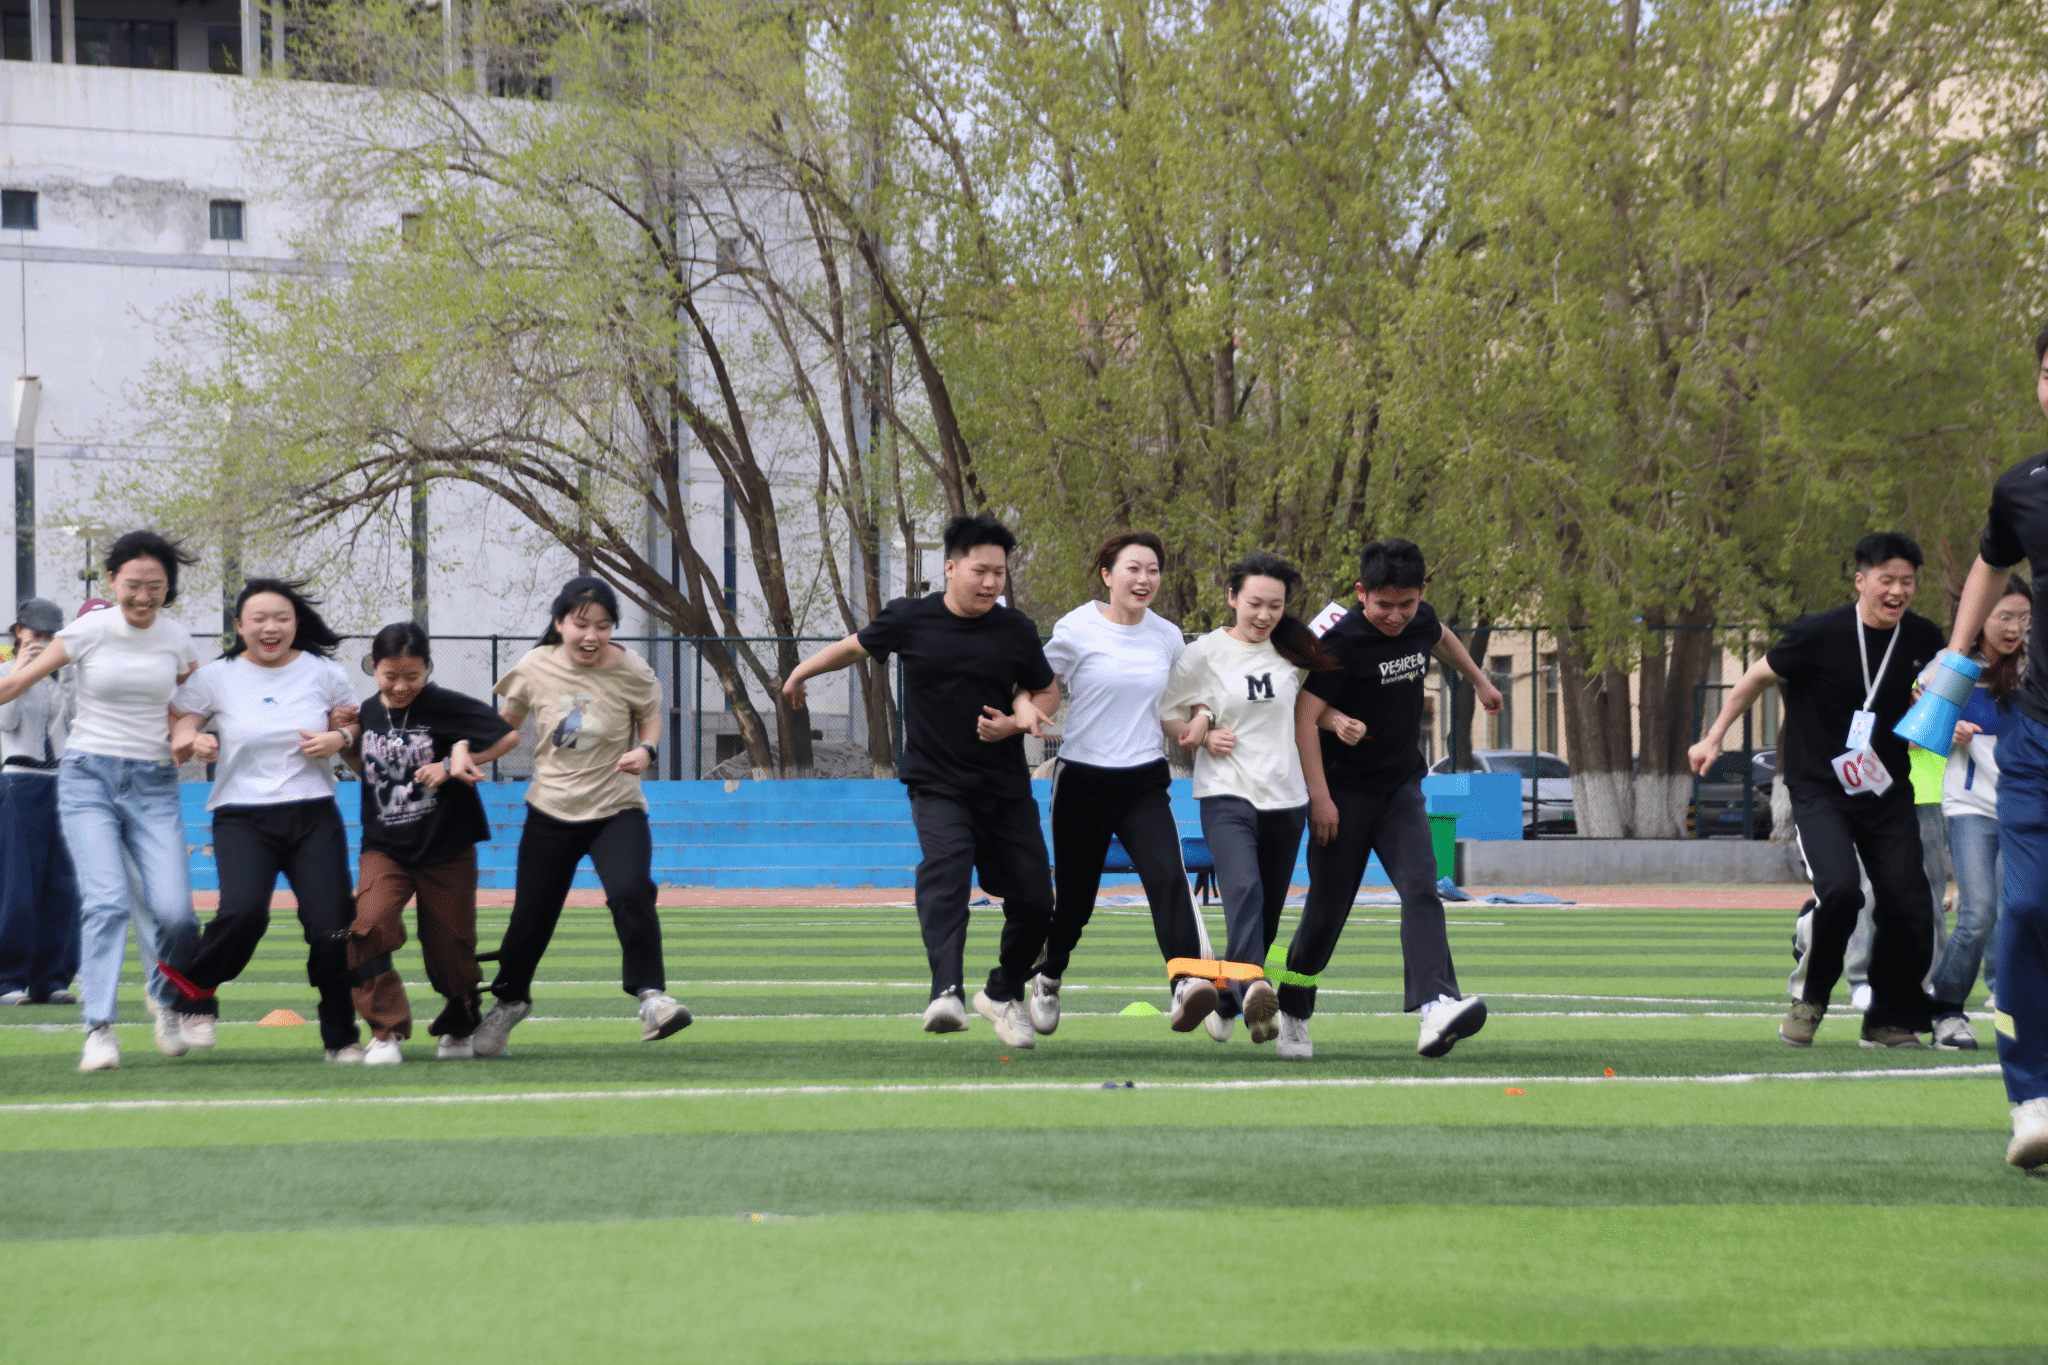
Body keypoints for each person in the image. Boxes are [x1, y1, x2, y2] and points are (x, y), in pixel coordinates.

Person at [782, 514, 1058, 1049]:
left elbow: (1046, 692)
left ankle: (1002, 991)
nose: (990, 583)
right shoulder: (911, 618)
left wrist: (1015, 721)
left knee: (1035, 900)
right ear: (951, 568)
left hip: (1004, 788)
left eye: (999, 573)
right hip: (937, 783)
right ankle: (945, 992)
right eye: (980, 571)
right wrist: (800, 673)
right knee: (946, 872)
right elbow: (854, 646)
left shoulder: (1016, 629)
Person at [1689, 532, 1943, 1050]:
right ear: (1861, 581)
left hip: (1888, 791)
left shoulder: (1923, 638)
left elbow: (1937, 697)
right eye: (1887, 580)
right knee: (1843, 891)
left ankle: (1886, 1019)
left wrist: (1939, 714)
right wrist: (1713, 737)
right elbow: (1753, 679)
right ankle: (1809, 998)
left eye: (1907, 582)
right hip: (1820, 790)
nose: (1897, 591)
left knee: (1909, 903)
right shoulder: (1817, 633)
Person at [1273, 540, 1503, 1060]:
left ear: (1422, 593)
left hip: (1401, 789)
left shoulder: (1421, 620)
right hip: (1343, 795)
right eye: (1383, 605)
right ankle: (1293, 1008)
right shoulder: (1341, 641)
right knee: (1326, 912)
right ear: (1361, 593)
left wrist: (1479, 681)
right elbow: (1304, 716)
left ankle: (1436, 1006)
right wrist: (1320, 798)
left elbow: (1441, 637)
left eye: (1406, 604)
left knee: (1421, 889)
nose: (1396, 616)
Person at [0, 531, 204, 1072]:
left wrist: (188, 730)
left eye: (155, 587)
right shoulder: (89, 630)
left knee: (178, 916)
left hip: (154, 783)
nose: (143, 597)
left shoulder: (177, 640)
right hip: (88, 778)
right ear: (112, 581)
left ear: (168, 588)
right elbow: (17, 683)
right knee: (107, 901)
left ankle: (165, 997)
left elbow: (194, 701)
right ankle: (99, 1028)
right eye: (133, 584)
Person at [471, 577, 691, 1056]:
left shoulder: (632, 669)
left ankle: (652, 998)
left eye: (603, 626)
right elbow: (506, 729)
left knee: (632, 892)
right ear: (559, 623)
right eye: (581, 624)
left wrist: (647, 749)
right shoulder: (534, 666)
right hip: (550, 811)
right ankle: (510, 1001)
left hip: (616, 808)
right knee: (529, 920)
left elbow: (651, 714)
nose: (592, 636)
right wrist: (466, 756)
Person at [168, 579, 365, 1061]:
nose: (270, 627)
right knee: (243, 914)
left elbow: (353, 726)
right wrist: (192, 737)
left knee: (331, 925)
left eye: (281, 618)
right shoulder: (217, 676)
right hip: (242, 816)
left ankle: (341, 1037)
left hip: (312, 812)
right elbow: (180, 716)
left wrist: (340, 738)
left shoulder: (325, 673)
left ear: (296, 623)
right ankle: (194, 993)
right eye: (258, 619)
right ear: (240, 626)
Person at [1034, 532, 1217, 1033]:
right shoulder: (1076, 628)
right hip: (1082, 779)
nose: (1144, 579)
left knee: (1167, 876)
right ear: (1107, 575)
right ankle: (1048, 977)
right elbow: (1040, 684)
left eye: (1153, 570)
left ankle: (1185, 981)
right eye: (1133, 569)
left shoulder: (1167, 635)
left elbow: (1190, 697)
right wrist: (1025, 710)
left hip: (1143, 780)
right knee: (1075, 903)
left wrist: (1201, 719)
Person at [1944, 322, 2048, 1169]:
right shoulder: (2023, 487)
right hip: (2039, 739)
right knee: (2025, 910)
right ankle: (2033, 1098)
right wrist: (1954, 657)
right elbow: (1989, 560)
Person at [1159, 551, 1332, 1045]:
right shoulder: (1203, 653)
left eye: (1275, 605)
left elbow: (1308, 709)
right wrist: (1202, 729)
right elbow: (1168, 713)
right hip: (1226, 793)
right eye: (1255, 603)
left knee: (1266, 916)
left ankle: (1228, 998)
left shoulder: (1295, 651)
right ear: (1232, 597)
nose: (1264, 614)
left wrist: (1337, 719)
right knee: (1244, 890)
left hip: (1287, 799)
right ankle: (1255, 986)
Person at [344, 623, 520, 1063]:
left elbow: (508, 736)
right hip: (385, 847)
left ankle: (460, 1023)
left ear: (427, 668)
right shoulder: (367, 711)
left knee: (450, 949)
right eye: (390, 676)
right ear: (373, 668)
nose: (401, 686)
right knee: (368, 925)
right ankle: (385, 1031)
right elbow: (366, 767)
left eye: (413, 675)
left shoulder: (445, 704)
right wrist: (344, 741)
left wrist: (452, 760)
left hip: (446, 848)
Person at [1926, 576, 2029, 1051]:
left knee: (2022, 912)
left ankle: (2015, 1009)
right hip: (1970, 808)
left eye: (2024, 619)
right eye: (2004, 616)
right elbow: (1921, 734)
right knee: (1978, 913)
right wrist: (1949, 729)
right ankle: (1947, 1012)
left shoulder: (2033, 670)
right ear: (1979, 614)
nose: (2014, 628)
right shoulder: (1953, 666)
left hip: (2025, 809)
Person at [0, 598, 79, 1008]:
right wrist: (21, 671)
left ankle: (52, 978)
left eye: (52, 635)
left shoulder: (64, 676)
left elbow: (76, 725)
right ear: (19, 632)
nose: (44, 641)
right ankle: (8, 979)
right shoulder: (4, 673)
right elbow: (7, 721)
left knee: (63, 885)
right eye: (37, 634)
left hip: (64, 780)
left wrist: (63, 674)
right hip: (19, 779)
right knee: (18, 885)